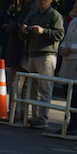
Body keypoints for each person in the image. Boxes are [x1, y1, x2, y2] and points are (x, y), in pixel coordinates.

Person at [19, 0, 65, 129]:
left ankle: (43, 119)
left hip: (47, 55)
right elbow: (22, 34)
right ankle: (34, 117)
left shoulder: (55, 16)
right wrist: (23, 31)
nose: (42, 1)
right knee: (33, 88)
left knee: (44, 88)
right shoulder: (33, 15)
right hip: (33, 54)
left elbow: (60, 34)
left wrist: (43, 31)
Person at [5, 0, 38, 122]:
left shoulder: (31, 8)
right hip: (26, 54)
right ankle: (21, 112)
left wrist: (11, 26)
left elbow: (22, 26)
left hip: (20, 53)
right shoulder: (33, 7)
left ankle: (15, 112)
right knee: (24, 87)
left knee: (15, 85)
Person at [57, 2, 77, 135]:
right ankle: (71, 123)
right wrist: (62, 48)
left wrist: (72, 48)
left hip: (75, 62)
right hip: (67, 61)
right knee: (68, 95)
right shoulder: (74, 21)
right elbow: (66, 38)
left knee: (76, 96)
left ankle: (74, 125)